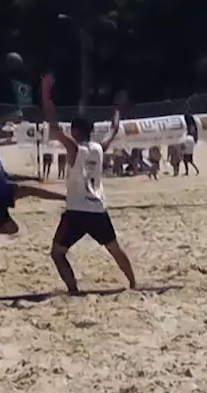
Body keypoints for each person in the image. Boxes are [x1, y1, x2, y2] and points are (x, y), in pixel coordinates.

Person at [41, 73, 137, 295]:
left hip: (76, 211)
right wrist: (117, 110)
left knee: (57, 253)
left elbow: (54, 126)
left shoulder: (75, 149)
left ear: (75, 131)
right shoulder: (98, 149)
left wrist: (46, 94)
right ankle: (133, 283)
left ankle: (73, 290)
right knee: (114, 249)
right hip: (97, 208)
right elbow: (113, 130)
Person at [0, 126, 64, 234]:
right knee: (12, 229)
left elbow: (6, 175)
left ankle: (65, 198)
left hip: (1, 194)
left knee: (29, 190)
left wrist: (30, 178)